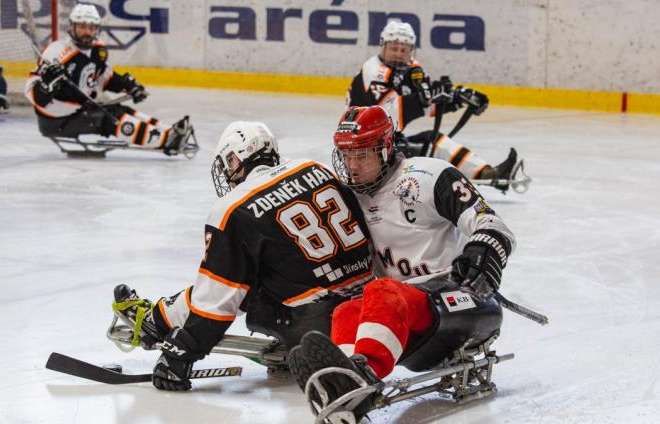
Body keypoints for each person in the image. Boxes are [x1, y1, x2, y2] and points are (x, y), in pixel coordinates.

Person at [108, 121, 375, 391]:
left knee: (230, 278)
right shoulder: (315, 168)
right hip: (366, 307)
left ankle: (155, 320)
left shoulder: (234, 207)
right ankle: (160, 316)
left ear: (235, 158)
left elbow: (216, 299)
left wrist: (183, 352)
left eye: (227, 163)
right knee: (263, 265)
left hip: (313, 325)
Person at [288, 105, 517, 421]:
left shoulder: (428, 176)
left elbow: (493, 225)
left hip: (463, 298)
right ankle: (342, 385)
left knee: (382, 291)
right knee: (347, 310)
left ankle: (361, 376)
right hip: (409, 316)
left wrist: (483, 252)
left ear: (385, 148)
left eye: (363, 156)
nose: (352, 167)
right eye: (347, 156)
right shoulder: (347, 197)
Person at [346, 20, 518, 190]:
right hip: (362, 151)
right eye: (394, 48)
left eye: (403, 50)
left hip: (386, 143)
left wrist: (458, 98)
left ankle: (488, 173)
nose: (398, 54)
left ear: (411, 50)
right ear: (383, 47)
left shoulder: (413, 70)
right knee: (425, 148)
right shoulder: (375, 71)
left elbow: (429, 102)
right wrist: (423, 99)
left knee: (435, 141)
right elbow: (388, 114)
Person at [25, 4, 193, 156]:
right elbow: (33, 92)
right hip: (56, 119)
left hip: (79, 109)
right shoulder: (56, 53)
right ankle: (166, 140)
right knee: (109, 118)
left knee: (121, 109)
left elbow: (103, 78)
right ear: (73, 26)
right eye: (82, 27)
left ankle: (169, 130)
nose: (87, 32)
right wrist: (46, 85)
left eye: (91, 27)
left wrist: (128, 86)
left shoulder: (98, 49)